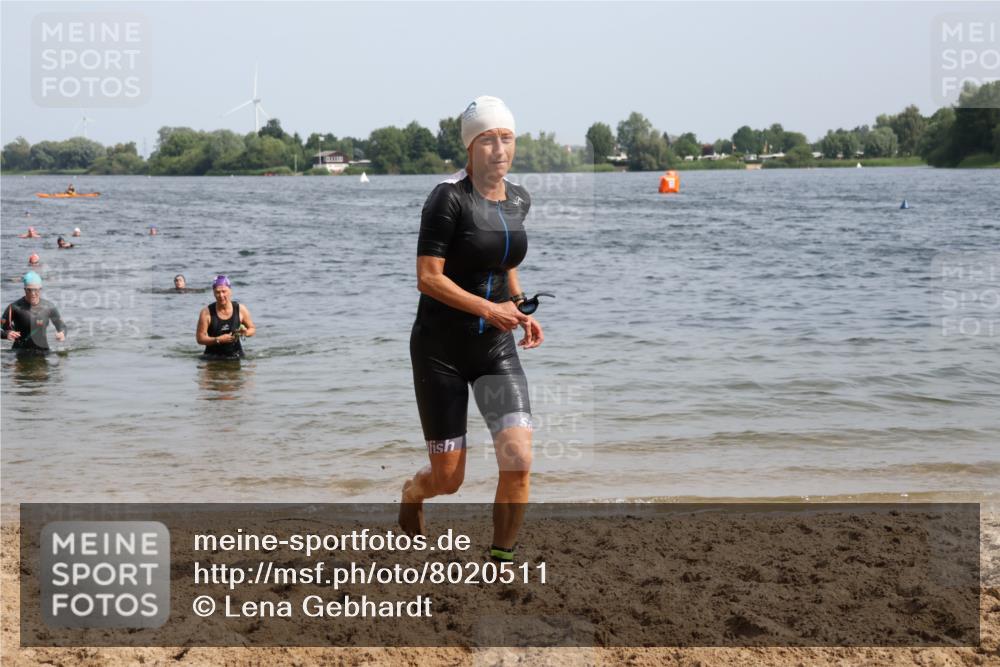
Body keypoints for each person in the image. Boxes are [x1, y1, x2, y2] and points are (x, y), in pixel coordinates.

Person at [399, 96, 544, 564]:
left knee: (519, 459)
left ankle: (501, 559)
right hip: (439, 350)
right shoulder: (447, 198)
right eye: (487, 139)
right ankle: (412, 492)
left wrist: (519, 307)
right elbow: (428, 278)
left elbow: (504, 261)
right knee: (448, 479)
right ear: (469, 146)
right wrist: (489, 308)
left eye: (507, 138)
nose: (499, 149)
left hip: (495, 348)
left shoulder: (518, 198)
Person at [1, 271, 66, 352]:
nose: (33, 293)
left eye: (36, 290)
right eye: (29, 290)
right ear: (24, 289)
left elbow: (62, 326)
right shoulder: (14, 307)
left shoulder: (48, 307)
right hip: (20, 352)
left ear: (40, 289)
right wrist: (5, 334)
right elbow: (1, 328)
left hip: (43, 352)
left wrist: (62, 333)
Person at [196, 275, 255, 358]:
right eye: (217, 292)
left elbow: (252, 328)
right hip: (212, 358)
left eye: (224, 291)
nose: (221, 295)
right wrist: (218, 340)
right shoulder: (206, 313)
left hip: (236, 356)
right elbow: (200, 339)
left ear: (230, 291)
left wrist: (245, 333)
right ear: (213, 293)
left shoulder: (240, 309)